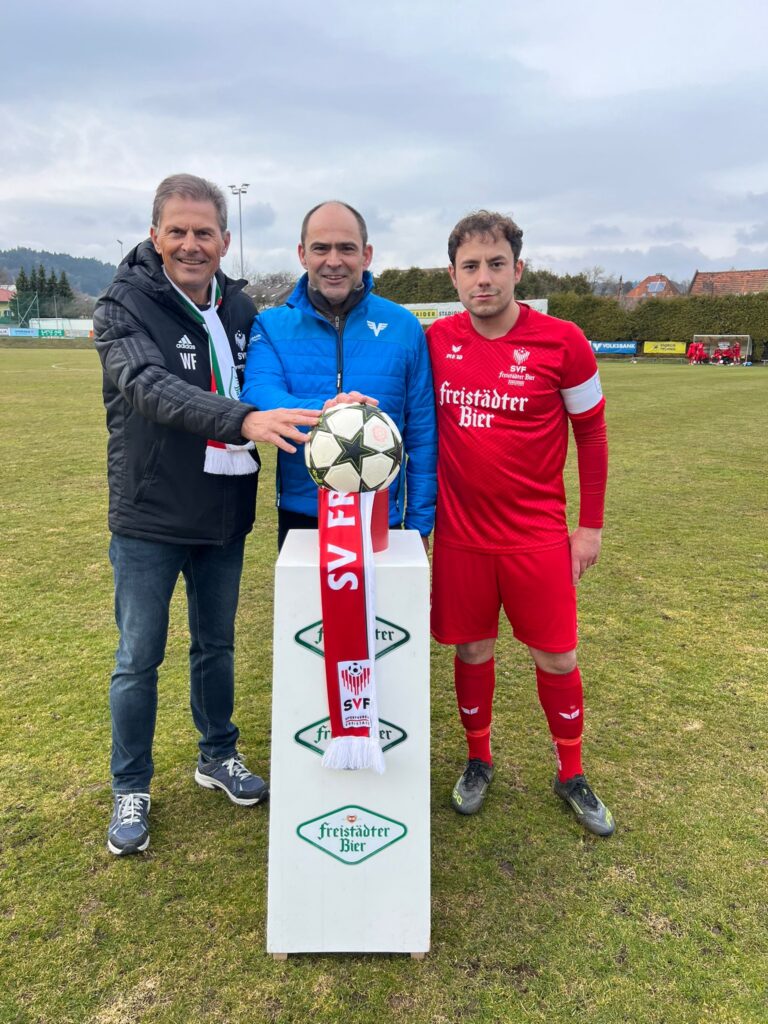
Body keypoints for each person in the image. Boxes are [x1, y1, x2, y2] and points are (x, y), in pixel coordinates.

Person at [94, 174, 320, 856]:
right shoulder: (123, 304)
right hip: (151, 514)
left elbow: (274, 379)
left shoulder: (240, 307)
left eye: (204, 233)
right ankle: (130, 785)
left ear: (224, 240)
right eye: (178, 231)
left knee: (216, 645)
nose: (191, 244)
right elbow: (148, 387)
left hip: (224, 510)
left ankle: (217, 753)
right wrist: (242, 419)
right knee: (139, 658)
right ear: (155, 235)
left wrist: (338, 408)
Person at [427, 210, 615, 837]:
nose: (484, 278)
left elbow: (592, 433)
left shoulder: (563, 341)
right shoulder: (437, 342)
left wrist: (589, 528)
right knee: (472, 649)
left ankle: (572, 773)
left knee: (557, 657)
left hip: (537, 538)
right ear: (453, 276)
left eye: (496, 264)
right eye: (471, 267)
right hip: (462, 538)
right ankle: (478, 760)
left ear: (518, 269)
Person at [241, 201, 436, 549]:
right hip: (303, 515)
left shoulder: (404, 327)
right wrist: (336, 415)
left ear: (366, 255)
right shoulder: (270, 325)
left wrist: (420, 524)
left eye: (346, 248)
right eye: (321, 248)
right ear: (302, 255)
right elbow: (259, 392)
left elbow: (422, 433)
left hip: (382, 515)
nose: (334, 261)